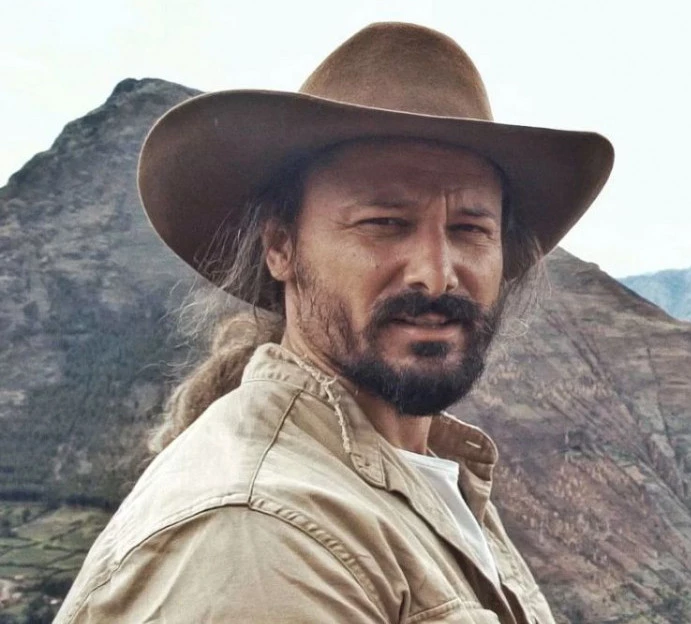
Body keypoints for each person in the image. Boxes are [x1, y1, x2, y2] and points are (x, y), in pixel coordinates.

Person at [55, 22, 613, 623]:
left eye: (470, 229)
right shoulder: (259, 539)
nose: (437, 275)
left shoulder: (424, 477)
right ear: (280, 247)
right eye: (385, 223)